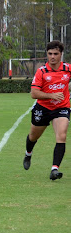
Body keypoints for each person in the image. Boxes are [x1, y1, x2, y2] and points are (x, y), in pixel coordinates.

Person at [23, 40, 70, 180]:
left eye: (56, 54)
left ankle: (54, 169)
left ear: (61, 54)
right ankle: (28, 153)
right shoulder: (42, 72)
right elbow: (33, 93)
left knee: (61, 136)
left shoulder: (68, 68)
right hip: (43, 108)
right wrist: (51, 95)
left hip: (62, 108)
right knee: (33, 136)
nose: (52, 57)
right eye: (50, 54)